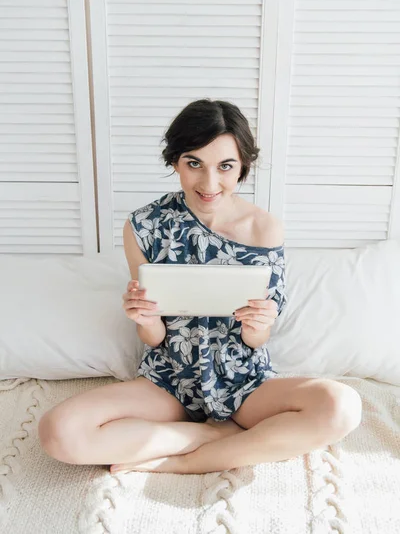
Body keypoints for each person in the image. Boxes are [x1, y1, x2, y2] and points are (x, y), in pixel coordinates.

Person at [38, 99, 362, 475]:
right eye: (194, 163)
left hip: (245, 381)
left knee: (342, 406)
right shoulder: (145, 226)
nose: (209, 184)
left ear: (243, 166)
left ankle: (182, 464)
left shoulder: (264, 228)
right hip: (168, 379)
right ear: (175, 161)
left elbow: (257, 341)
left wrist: (259, 325)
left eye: (225, 166)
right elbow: (154, 338)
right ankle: (205, 439)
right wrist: (143, 317)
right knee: (58, 431)